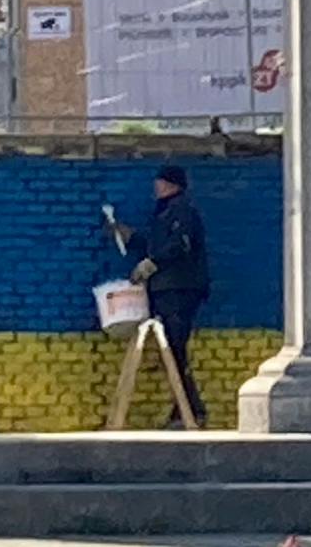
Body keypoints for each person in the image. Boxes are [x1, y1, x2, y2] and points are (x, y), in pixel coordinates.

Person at [112, 164, 210, 428]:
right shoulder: (165, 213)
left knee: (175, 349)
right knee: (173, 351)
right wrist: (132, 238)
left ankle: (191, 411)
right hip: (168, 289)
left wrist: (151, 263)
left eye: (160, 182)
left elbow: (179, 245)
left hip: (179, 289)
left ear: (171, 184)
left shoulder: (182, 210)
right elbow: (158, 242)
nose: (156, 187)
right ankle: (186, 410)